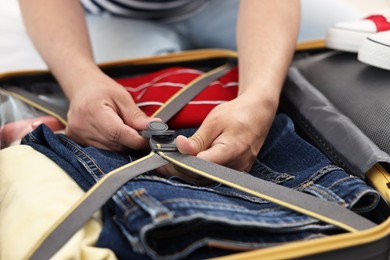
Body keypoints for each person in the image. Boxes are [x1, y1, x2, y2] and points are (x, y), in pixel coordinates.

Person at [18, 0, 300, 175]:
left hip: (227, 6)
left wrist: (261, 96)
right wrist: (80, 81)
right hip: (103, 16)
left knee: (322, 55)